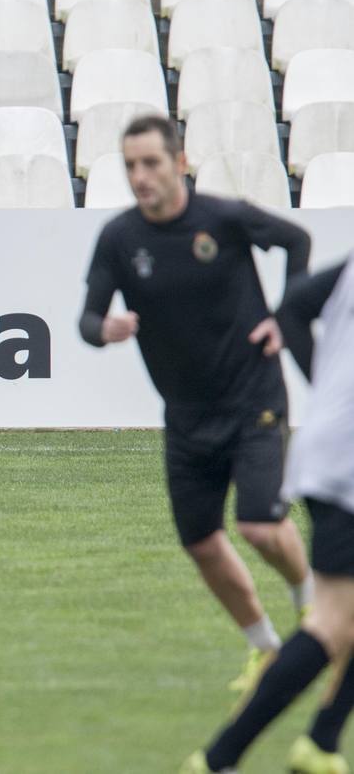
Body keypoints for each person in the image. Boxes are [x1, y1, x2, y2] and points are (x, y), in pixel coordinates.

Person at [80, 114, 315, 697]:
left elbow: (297, 241)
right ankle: (265, 648)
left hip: (253, 397)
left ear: (179, 162)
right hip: (186, 417)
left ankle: (315, 605)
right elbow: (86, 319)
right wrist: (103, 328)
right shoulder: (119, 239)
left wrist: (285, 319)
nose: (141, 176)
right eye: (131, 165)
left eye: (151, 163)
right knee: (203, 543)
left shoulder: (223, 218)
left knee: (259, 527)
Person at [183, 257, 354, 774]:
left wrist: (326, 391)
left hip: (330, 445)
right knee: (330, 623)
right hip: (347, 460)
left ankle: (322, 743)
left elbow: (294, 306)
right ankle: (218, 759)